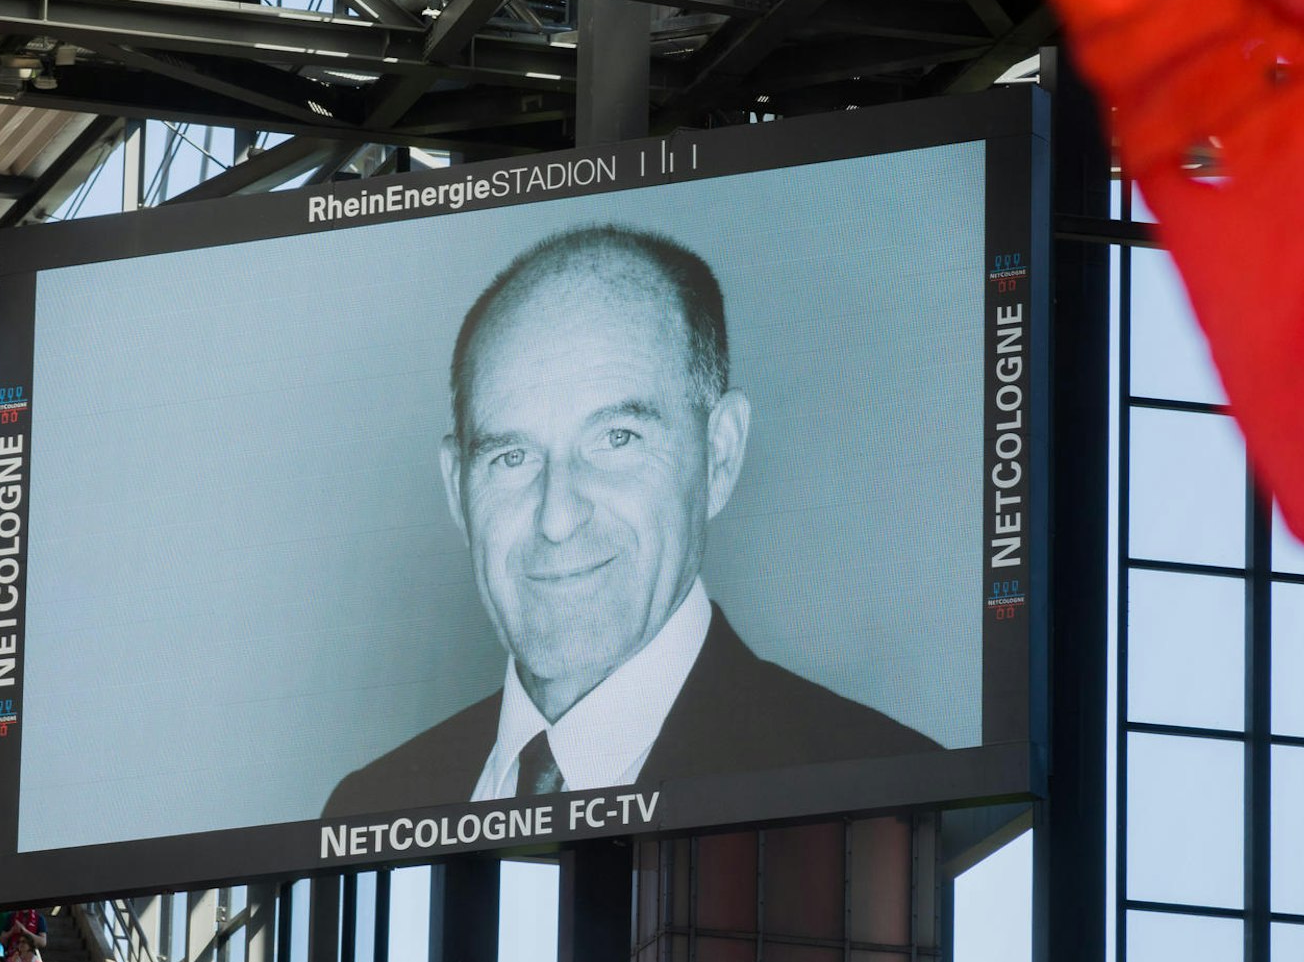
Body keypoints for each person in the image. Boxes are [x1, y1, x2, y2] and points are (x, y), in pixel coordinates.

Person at [326, 226, 939, 814]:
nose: (558, 517)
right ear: (458, 489)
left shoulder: (883, 789)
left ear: (719, 454)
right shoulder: (367, 805)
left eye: (618, 438)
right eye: (511, 457)